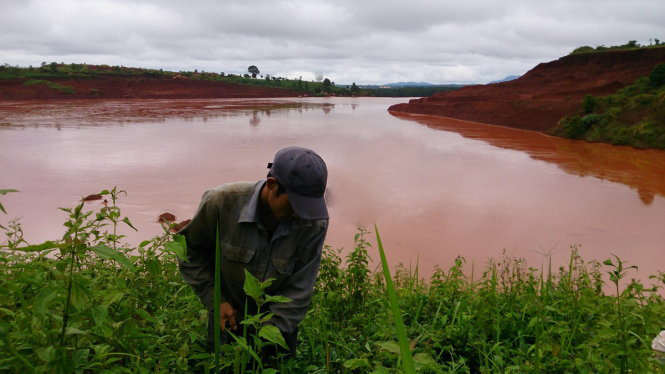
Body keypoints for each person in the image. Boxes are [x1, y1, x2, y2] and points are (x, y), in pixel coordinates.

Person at [177, 146, 329, 357]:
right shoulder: (221, 203)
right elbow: (189, 252)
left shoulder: (314, 223)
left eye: (308, 207)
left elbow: (300, 287)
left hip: (278, 332)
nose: (299, 215)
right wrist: (216, 300)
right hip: (226, 323)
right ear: (272, 185)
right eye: (295, 205)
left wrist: (267, 336)